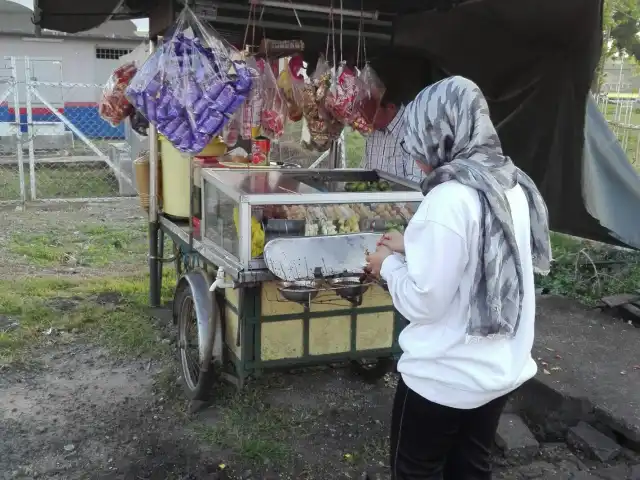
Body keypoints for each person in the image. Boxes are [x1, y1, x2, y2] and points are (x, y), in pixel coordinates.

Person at [365, 76, 552, 480]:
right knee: (470, 469)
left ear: (444, 132)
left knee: (416, 471)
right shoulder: (509, 184)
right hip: (494, 376)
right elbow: (474, 260)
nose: (415, 154)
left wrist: (388, 266)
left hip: (442, 380)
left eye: (420, 139)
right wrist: (411, 243)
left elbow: (424, 302)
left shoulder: (448, 199)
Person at [360, 56, 427, 184]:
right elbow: (367, 175)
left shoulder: (414, 132)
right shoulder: (374, 132)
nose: (365, 115)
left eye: (372, 110)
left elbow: (415, 187)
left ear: (390, 107)